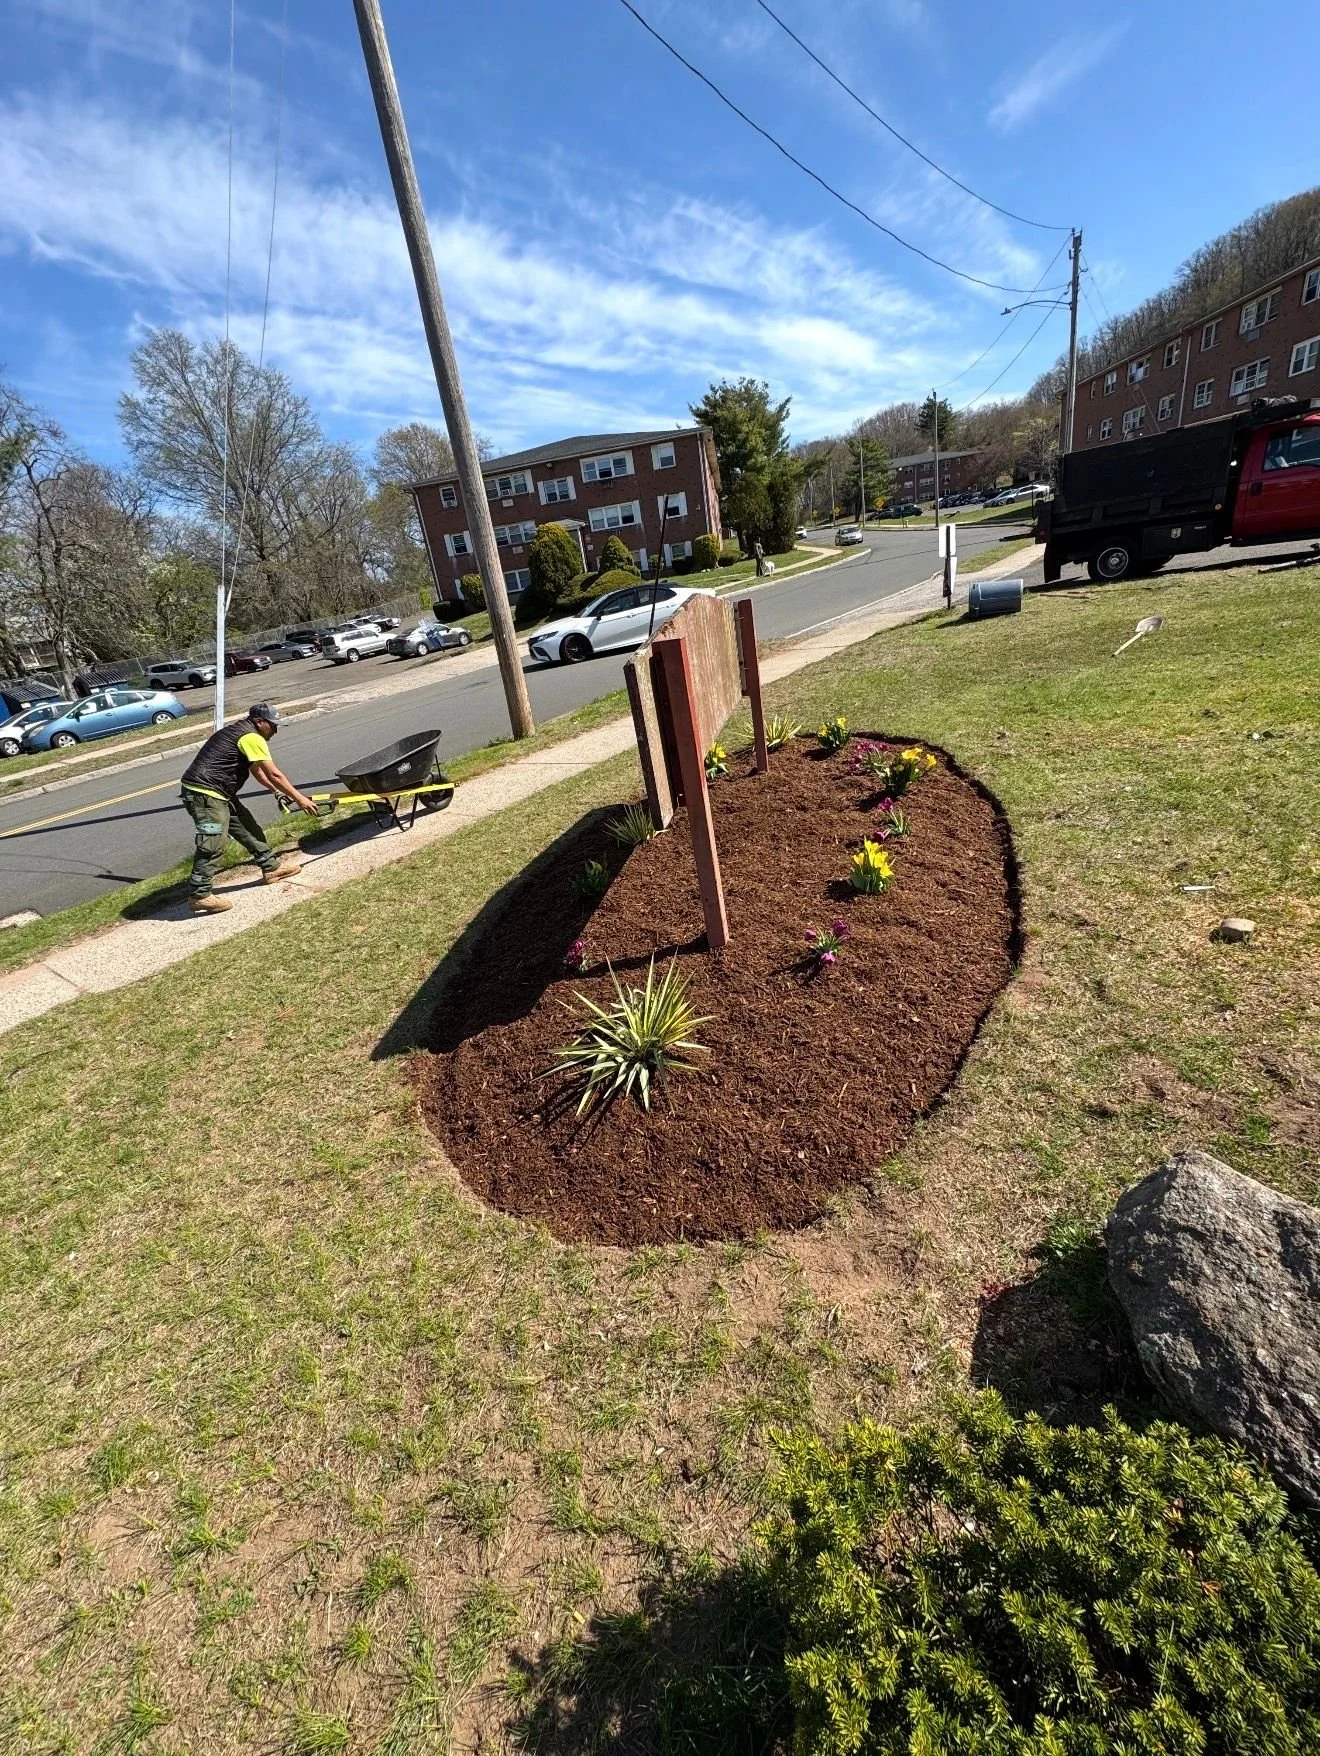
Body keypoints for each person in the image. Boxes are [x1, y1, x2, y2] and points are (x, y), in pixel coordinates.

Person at [179, 703, 318, 915]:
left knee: (247, 827)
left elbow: (257, 771)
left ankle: (272, 868)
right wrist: (300, 798)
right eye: (273, 725)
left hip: (219, 792)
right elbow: (274, 774)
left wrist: (276, 792)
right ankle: (199, 895)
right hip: (204, 794)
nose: (276, 730)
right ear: (260, 722)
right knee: (213, 842)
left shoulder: (242, 733)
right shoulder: (251, 737)